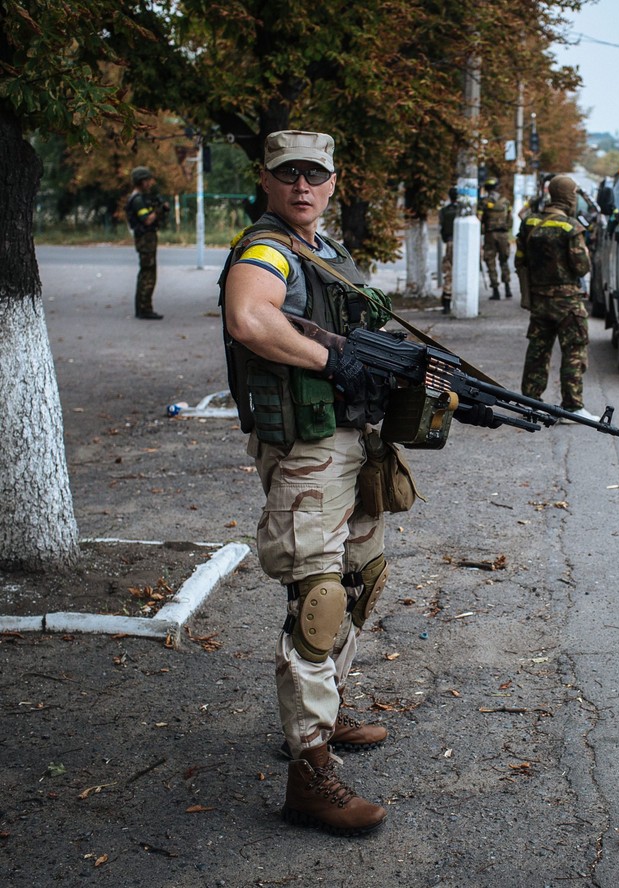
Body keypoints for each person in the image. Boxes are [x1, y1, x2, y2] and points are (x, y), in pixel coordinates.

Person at [219, 130, 394, 836]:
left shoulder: (326, 251)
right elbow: (250, 316)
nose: (301, 187)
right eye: (288, 174)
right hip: (307, 449)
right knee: (319, 597)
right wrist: (332, 364)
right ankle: (308, 771)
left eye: (314, 175)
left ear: (332, 181)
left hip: (350, 442)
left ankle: (324, 709)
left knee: (360, 576)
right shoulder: (267, 249)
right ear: (265, 179)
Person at [515, 174, 598, 422]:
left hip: (540, 300)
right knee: (573, 351)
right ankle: (572, 407)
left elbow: (520, 260)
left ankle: (530, 404)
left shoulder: (529, 223)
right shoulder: (571, 227)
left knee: (538, 352)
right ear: (568, 197)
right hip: (568, 303)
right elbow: (582, 267)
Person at [126, 166, 169, 320]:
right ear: (142, 181)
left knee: (147, 273)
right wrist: (159, 209)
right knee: (148, 274)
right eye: (148, 180)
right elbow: (147, 219)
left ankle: (143, 308)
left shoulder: (140, 198)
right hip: (145, 239)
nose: (151, 183)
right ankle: (144, 309)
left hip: (147, 239)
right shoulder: (137, 200)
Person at [478, 176, 513, 300]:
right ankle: (508, 288)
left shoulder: (484, 202)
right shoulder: (505, 201)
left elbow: (479, 219)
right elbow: (510, 218)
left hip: (490, 235)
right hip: (503, 235)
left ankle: (496, 291)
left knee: (490, 261)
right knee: (504, 261)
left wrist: (480, 232)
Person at [438, 186, 459, 314]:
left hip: (450, 242)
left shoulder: (444, 211)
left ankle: (446, 301)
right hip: (462, 243)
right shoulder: (462, 211)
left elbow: (442, 228)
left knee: (449, 271)